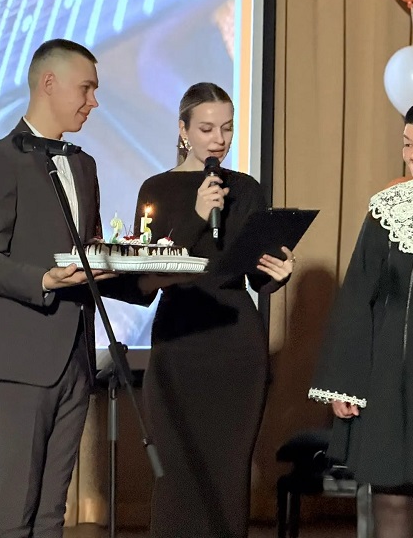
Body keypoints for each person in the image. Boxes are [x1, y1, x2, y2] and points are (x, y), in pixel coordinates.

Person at [0, 38, 115, 537]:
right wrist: (45, 279)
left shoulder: (84, 165)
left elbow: (88, 251)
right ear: (49, 83)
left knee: (53, 513)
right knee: (15, 509)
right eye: (86, 88)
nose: (93, 101)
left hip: (76, 356)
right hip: (21, 358)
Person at [309, 94, 413, 538]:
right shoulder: (389, 209)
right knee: (392, 505)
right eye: (406, 143)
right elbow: (356, 297)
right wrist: (344, 382)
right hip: (390, 382)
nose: (412, 153)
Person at [132, 82, 293, 537]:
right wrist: (198, 214)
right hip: (179, 340)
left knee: (227, 472)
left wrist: (278, 273)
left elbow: (257, 276)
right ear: (183, 130)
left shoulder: (246, 189)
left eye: (227, 128)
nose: (219, 139)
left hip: (236, 344)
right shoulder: (157, 188)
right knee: (176, 472)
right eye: (206, 129)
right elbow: (147, 274)